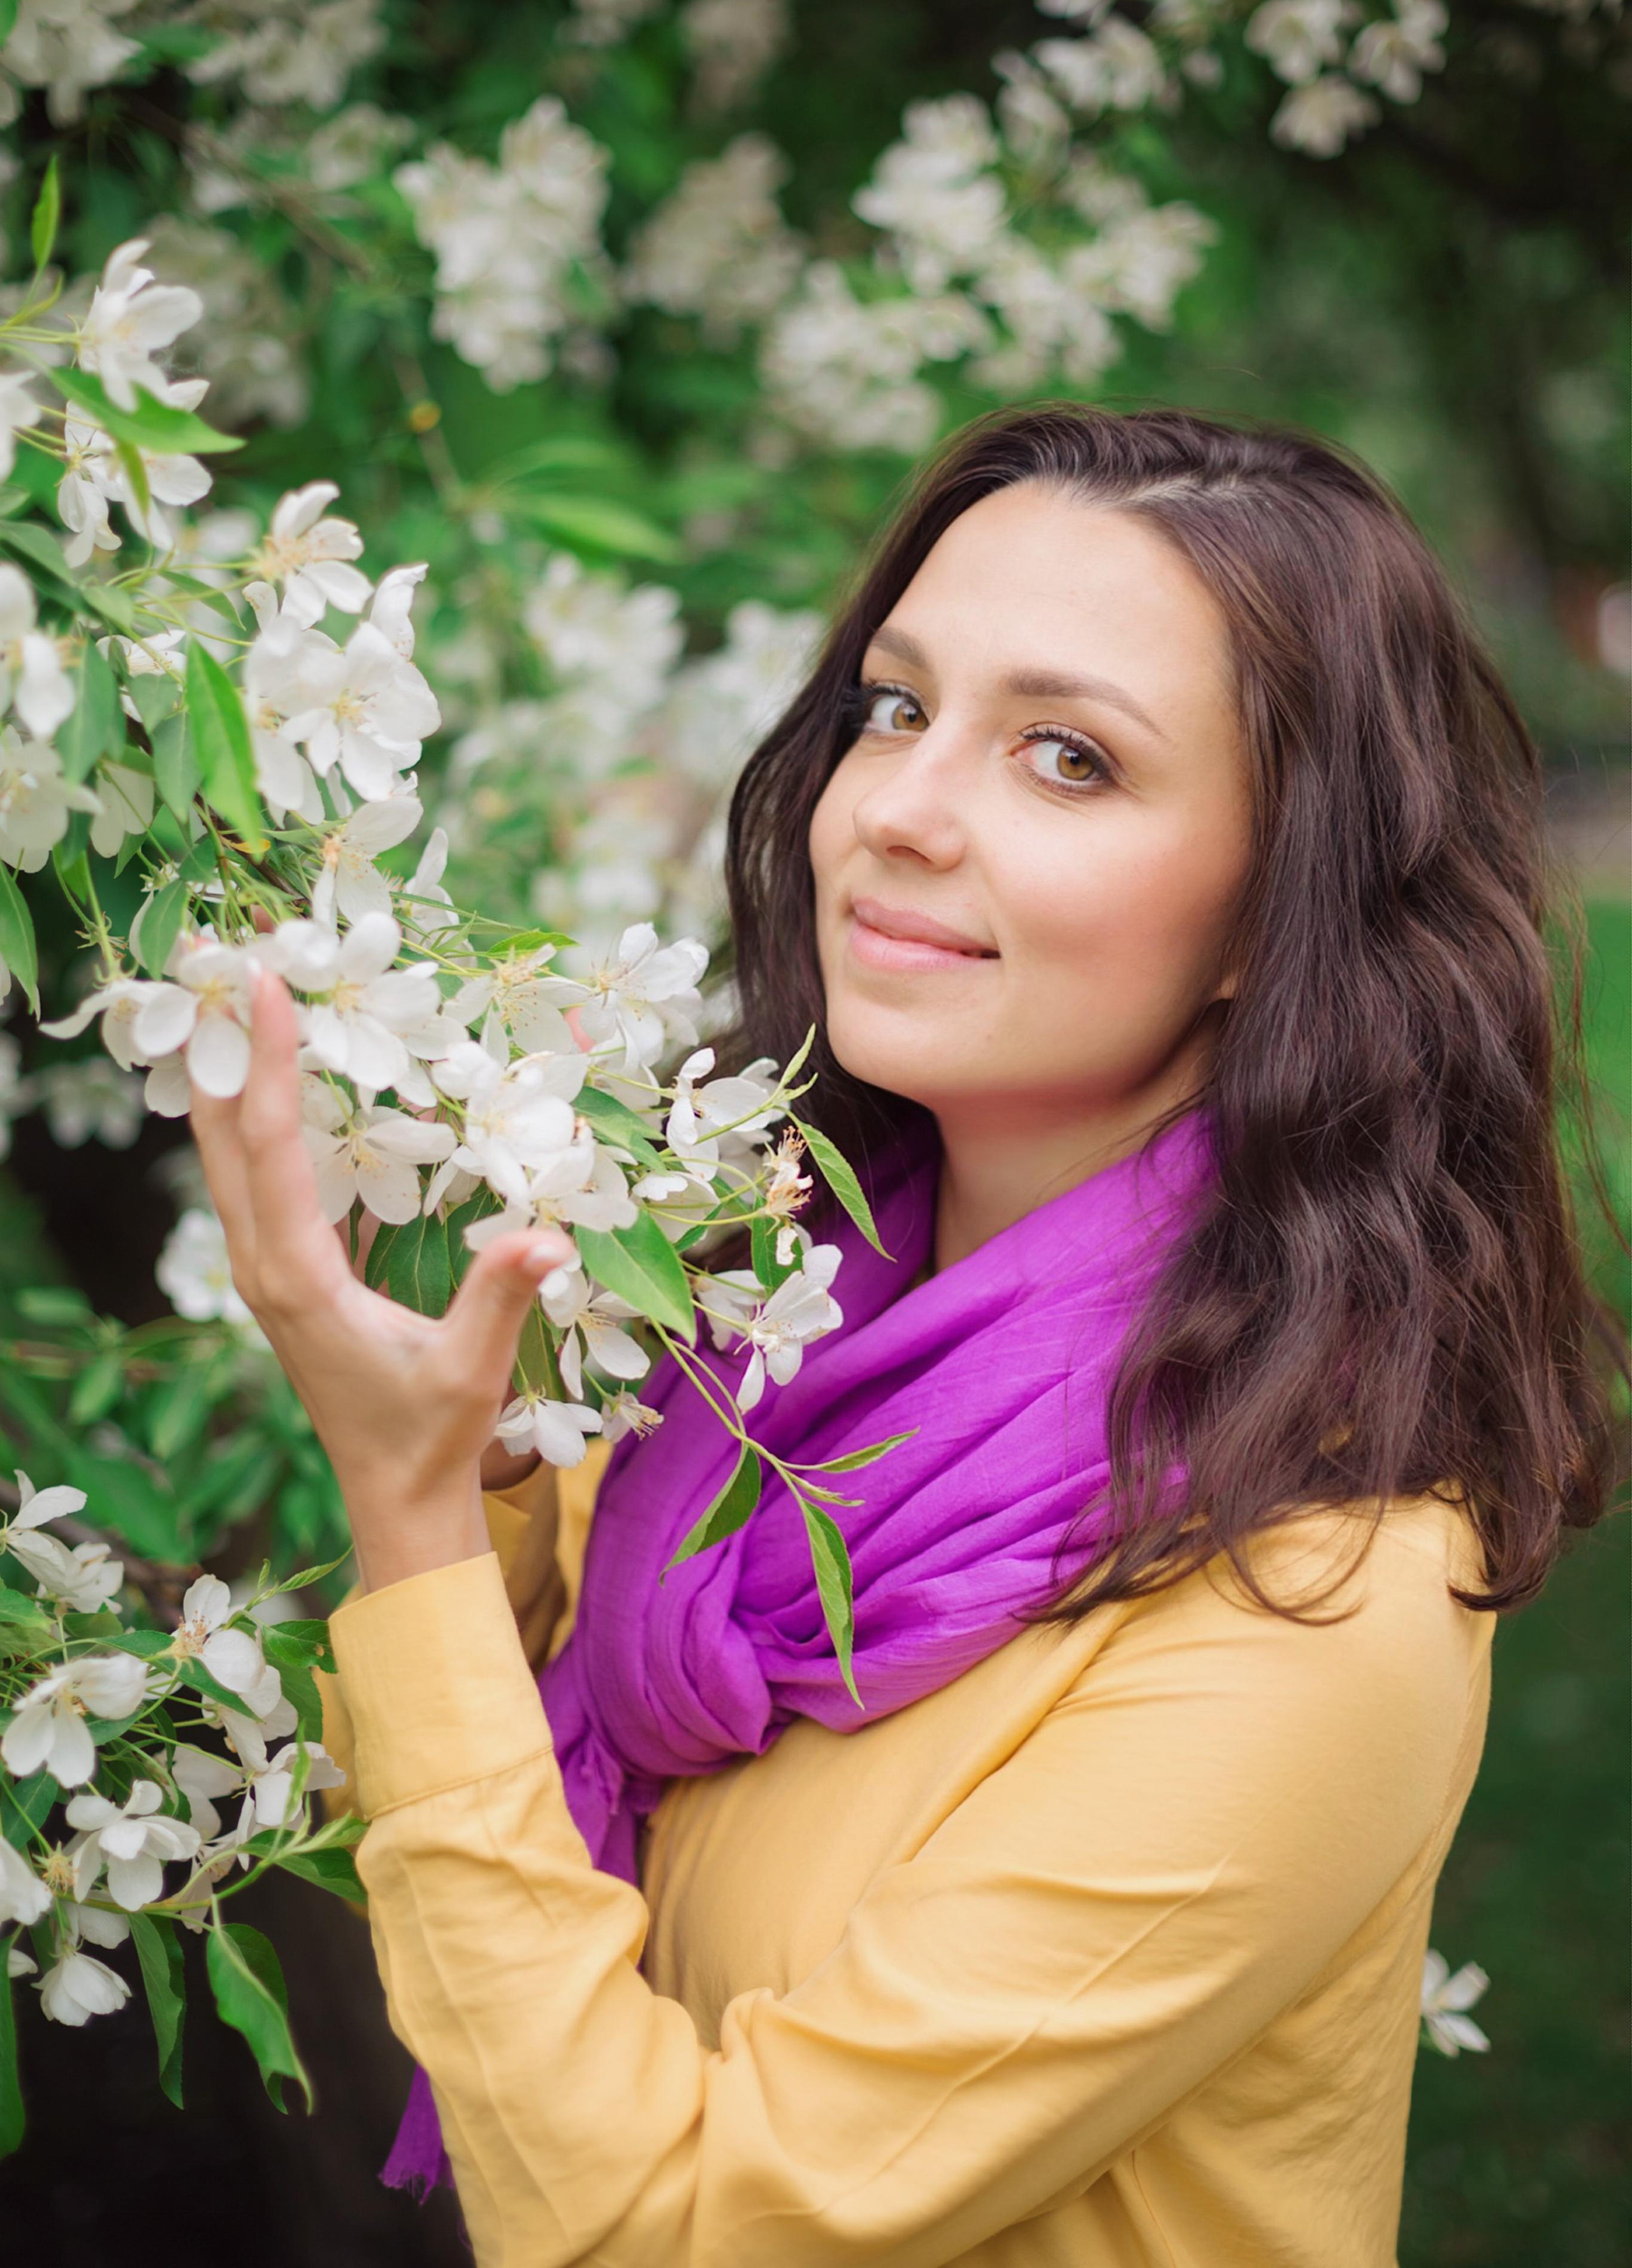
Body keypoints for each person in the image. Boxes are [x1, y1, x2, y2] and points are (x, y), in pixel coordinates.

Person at [191, 406, 1624, 2268]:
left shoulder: (1311, 1598)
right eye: (892, 706)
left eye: (1068, 758)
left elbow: (673, 2232)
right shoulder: (742, 1317)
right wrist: (462, 1460)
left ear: (1275, 915)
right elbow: (395, 1785)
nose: (899, 812)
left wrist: (409, 1514)